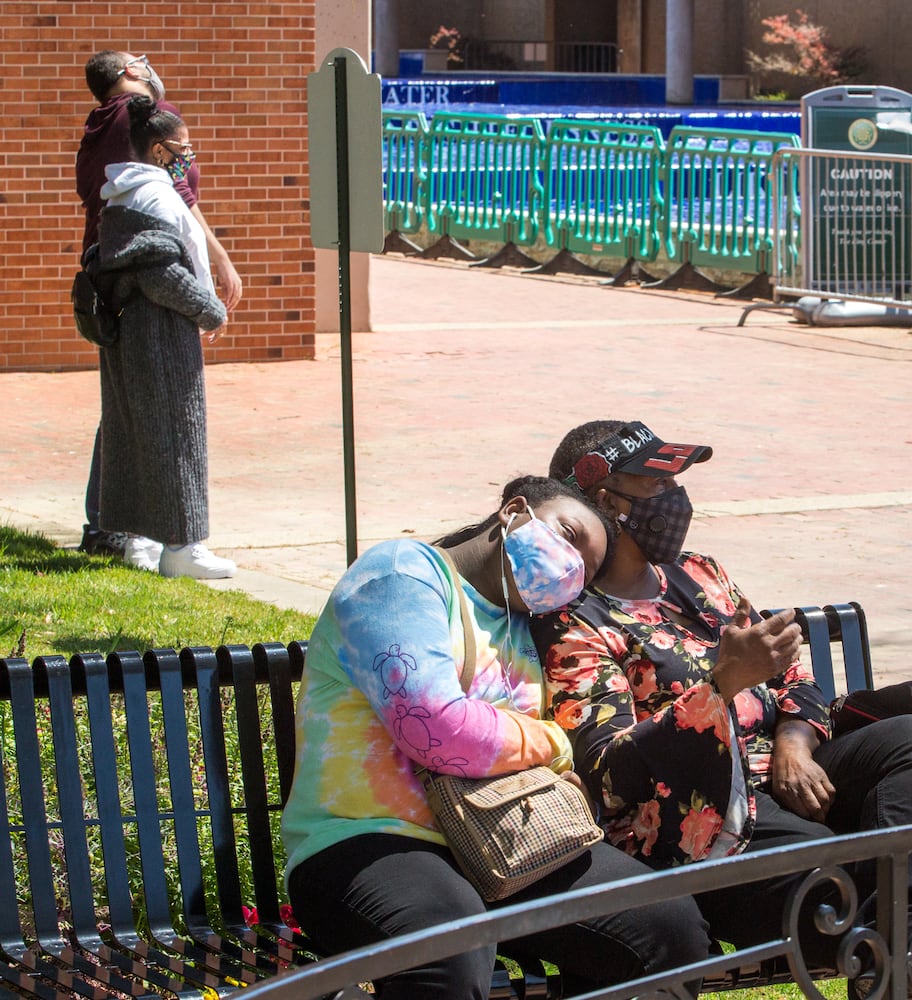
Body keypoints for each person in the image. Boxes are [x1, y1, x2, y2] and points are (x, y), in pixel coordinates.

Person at [532, 421, 912, 997]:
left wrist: (794, 744)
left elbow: (792, 669)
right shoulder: (575, 620)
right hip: (703, 819)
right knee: (840, 872)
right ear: (607, 502)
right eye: (657, 486)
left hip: (791, 779)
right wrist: (720, 685)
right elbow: (612, 773)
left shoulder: (699, 575)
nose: (676, 499)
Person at [281, 475, 711, 999]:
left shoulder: (522, 622)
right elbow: (435, 728)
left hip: (508, 840)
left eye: (587, 569)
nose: (571, 564)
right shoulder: (401, 574)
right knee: (447, 946)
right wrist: (553, 744)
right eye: (569, 534)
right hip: (369, 841)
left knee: (669, 927)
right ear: (513, 510)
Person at [76, 50, 241, 561]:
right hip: (149, 302)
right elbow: (178, 209)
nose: (148, 66)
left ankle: (120, 528)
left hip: (121, 288)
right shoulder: (129, 123)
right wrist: (210, 293)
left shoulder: (106, 138)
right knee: (158, 417)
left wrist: (215, 260)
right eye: (138, 61)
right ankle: (141, 532)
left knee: (129, 411)